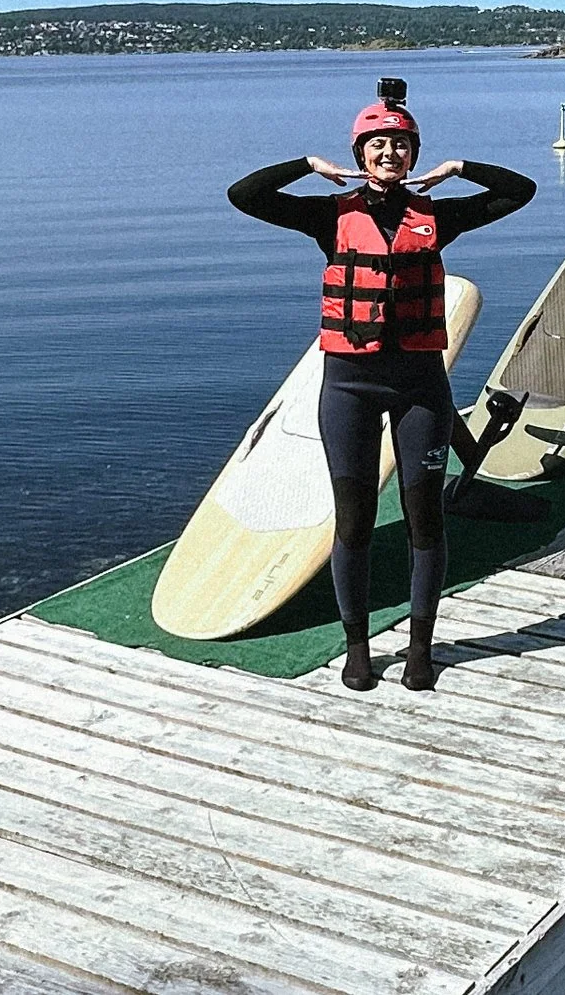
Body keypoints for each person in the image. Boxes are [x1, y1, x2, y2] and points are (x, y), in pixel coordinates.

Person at [227, 80, 535, 691]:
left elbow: (517, 191)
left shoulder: (437, 217)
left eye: (399, 144)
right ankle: (357, 647)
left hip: (420, 386)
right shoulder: (329, 215)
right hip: (348, 388)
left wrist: (457, 169)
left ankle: (421, 647)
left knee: (425, 518)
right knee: (354, 521)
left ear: (412, 154)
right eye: (377, 144)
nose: (388, 153)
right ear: (361, 153)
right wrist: (309, 167)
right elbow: (246, 194)